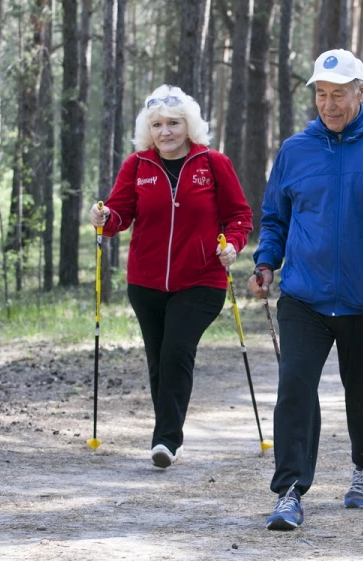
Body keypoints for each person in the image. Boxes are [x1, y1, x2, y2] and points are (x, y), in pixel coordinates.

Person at [247, 49, 363, 531]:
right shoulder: (295, 149)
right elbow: (274, 218)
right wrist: (266, 263)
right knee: (294, 388)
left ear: (362, 91)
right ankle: (289, 491)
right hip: (304, 296)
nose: (328, 105)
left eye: (338, 94)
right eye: (321, 94)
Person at [90, 85, 253, 468]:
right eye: (158, 124)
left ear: (189, 126)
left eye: (174, 123)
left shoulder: (213, 163)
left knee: (177, 351)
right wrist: (103, 218)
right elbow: (119, 216)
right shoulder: (137, 165)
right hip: (145, 283)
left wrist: (231, 244)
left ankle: (165, 440)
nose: (166, 131)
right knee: (158, 358)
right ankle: (167, 433)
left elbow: (240, 216)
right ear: (149, 129)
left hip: (202, 279)